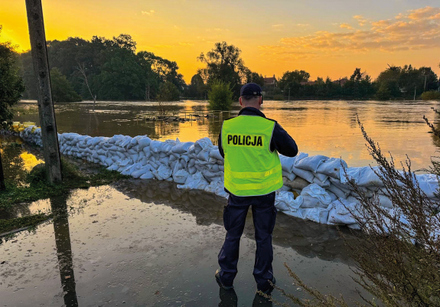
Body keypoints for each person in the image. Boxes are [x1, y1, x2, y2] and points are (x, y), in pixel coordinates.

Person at [215, 83, 298, 295]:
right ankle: (264, 282)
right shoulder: (269, 127)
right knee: (263, 237)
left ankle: (226, 278)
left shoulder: (228, 126)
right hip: (264, 193)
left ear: (240, 101)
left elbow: (225, 152)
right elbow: (292, 150)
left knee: (233, 235)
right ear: (260, 100)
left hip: (237, 192)